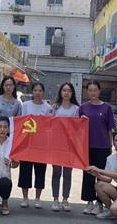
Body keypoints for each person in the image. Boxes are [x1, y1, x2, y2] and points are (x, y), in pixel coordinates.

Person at [79, 80, 116, 215]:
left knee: (101, 176)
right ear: (87, 92)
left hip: (103, 147)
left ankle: (100, 203)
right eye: (90, 90)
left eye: (95, 90)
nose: (93, 93)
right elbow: (77, 128)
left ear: (99, 91)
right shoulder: (83, 108)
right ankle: (89, 202)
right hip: (87, 147)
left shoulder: (106, 108)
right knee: (88, 175)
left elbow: (110, 129)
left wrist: (110, 146)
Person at [18, 82, 52, 209]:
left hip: (41, 145)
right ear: (32, 92)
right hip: (27, 143)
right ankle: (25, 198)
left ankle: (37, 198)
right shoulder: (25, 106)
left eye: (40, 90)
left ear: (43, 92)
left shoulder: (48, 108)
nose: (38, 93)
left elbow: (51, 126)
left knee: (40, 171)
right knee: (25, 171)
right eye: (35, 90)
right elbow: (21, 123)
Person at [50, 82, 80, 212]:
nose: (66, 93)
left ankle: (65, 199)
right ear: (60, 92)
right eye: (64, 90)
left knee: (68, 173)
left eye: (69, 91)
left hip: (69, 146)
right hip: (56, 145)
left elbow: (78, 127)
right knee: (56, 173)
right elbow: (48, 124)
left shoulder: (76, 109)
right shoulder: (55, 108)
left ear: (72, 93)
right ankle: (55, 199)